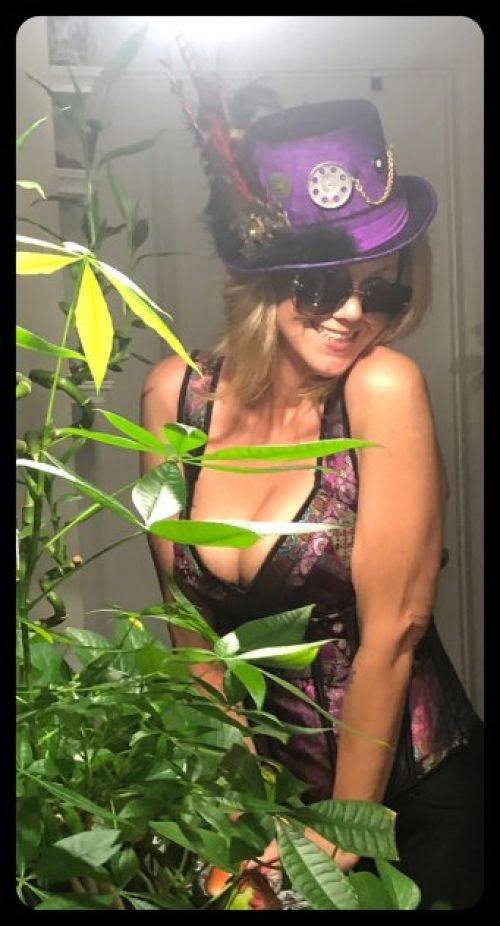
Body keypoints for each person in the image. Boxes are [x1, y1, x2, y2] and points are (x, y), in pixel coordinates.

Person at [140, 92, 483, 910]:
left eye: (383, 290)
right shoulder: (175, 398)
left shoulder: (382, 388)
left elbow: (394, 633)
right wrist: (238, 798)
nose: (356, 314)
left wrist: (337, 834)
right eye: (323, 284)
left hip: (401, 806)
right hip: (261, 804)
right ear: (257, 280)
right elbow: (189, 625)